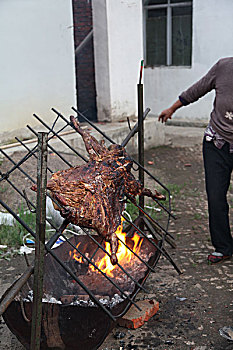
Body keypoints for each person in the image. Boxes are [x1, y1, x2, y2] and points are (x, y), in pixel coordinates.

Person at [158, 57, 233, 264]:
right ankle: (223, 247)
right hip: (217, 143)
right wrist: (172, 108)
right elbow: (197, 90)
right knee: (216, 196)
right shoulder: (224, 67)